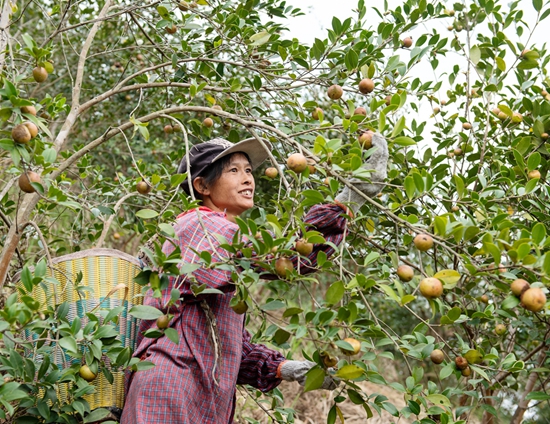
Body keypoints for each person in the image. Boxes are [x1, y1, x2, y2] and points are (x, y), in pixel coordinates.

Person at [121, 134, 388, 424]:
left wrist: (289, 368)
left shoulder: (221, 248)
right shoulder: (200, 226)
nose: (247, 178)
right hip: (168, 391)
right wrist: (349, 200)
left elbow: (225, 343)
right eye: (233, 170)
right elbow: (285, 255)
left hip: (193, 395)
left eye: (248, 170)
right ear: (202, 185)